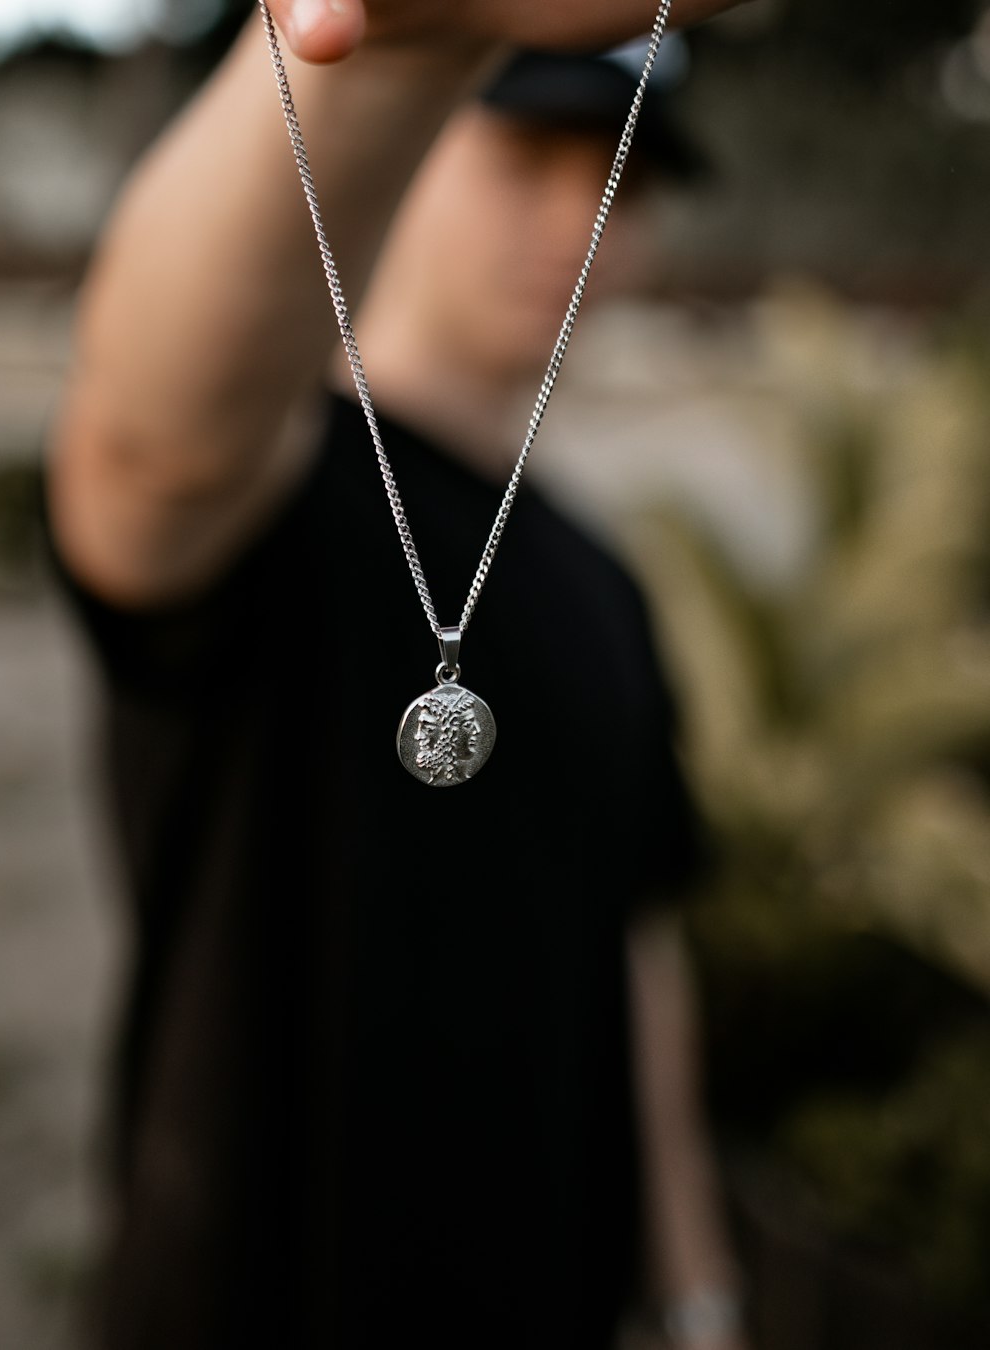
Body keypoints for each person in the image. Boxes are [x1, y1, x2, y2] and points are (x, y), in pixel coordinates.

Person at [41, 1, 753, 1347]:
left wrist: (701, 1289)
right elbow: (151, 442)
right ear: (421, 149)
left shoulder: (607, 582)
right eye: (527, 150)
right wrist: (407, 51)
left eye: (617, 176)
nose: (573, 219)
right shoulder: (272, 488)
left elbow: (639, 943)